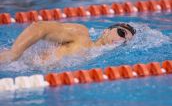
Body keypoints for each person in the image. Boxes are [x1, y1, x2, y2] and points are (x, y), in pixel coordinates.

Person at [0, 21, 136, 64]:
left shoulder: (101, 61)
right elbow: (39, 27)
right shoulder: (82, 35)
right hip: (13, 64)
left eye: (126, 41)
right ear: (106, 31)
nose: (121, 40)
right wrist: (14, 53)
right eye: (121, 33)